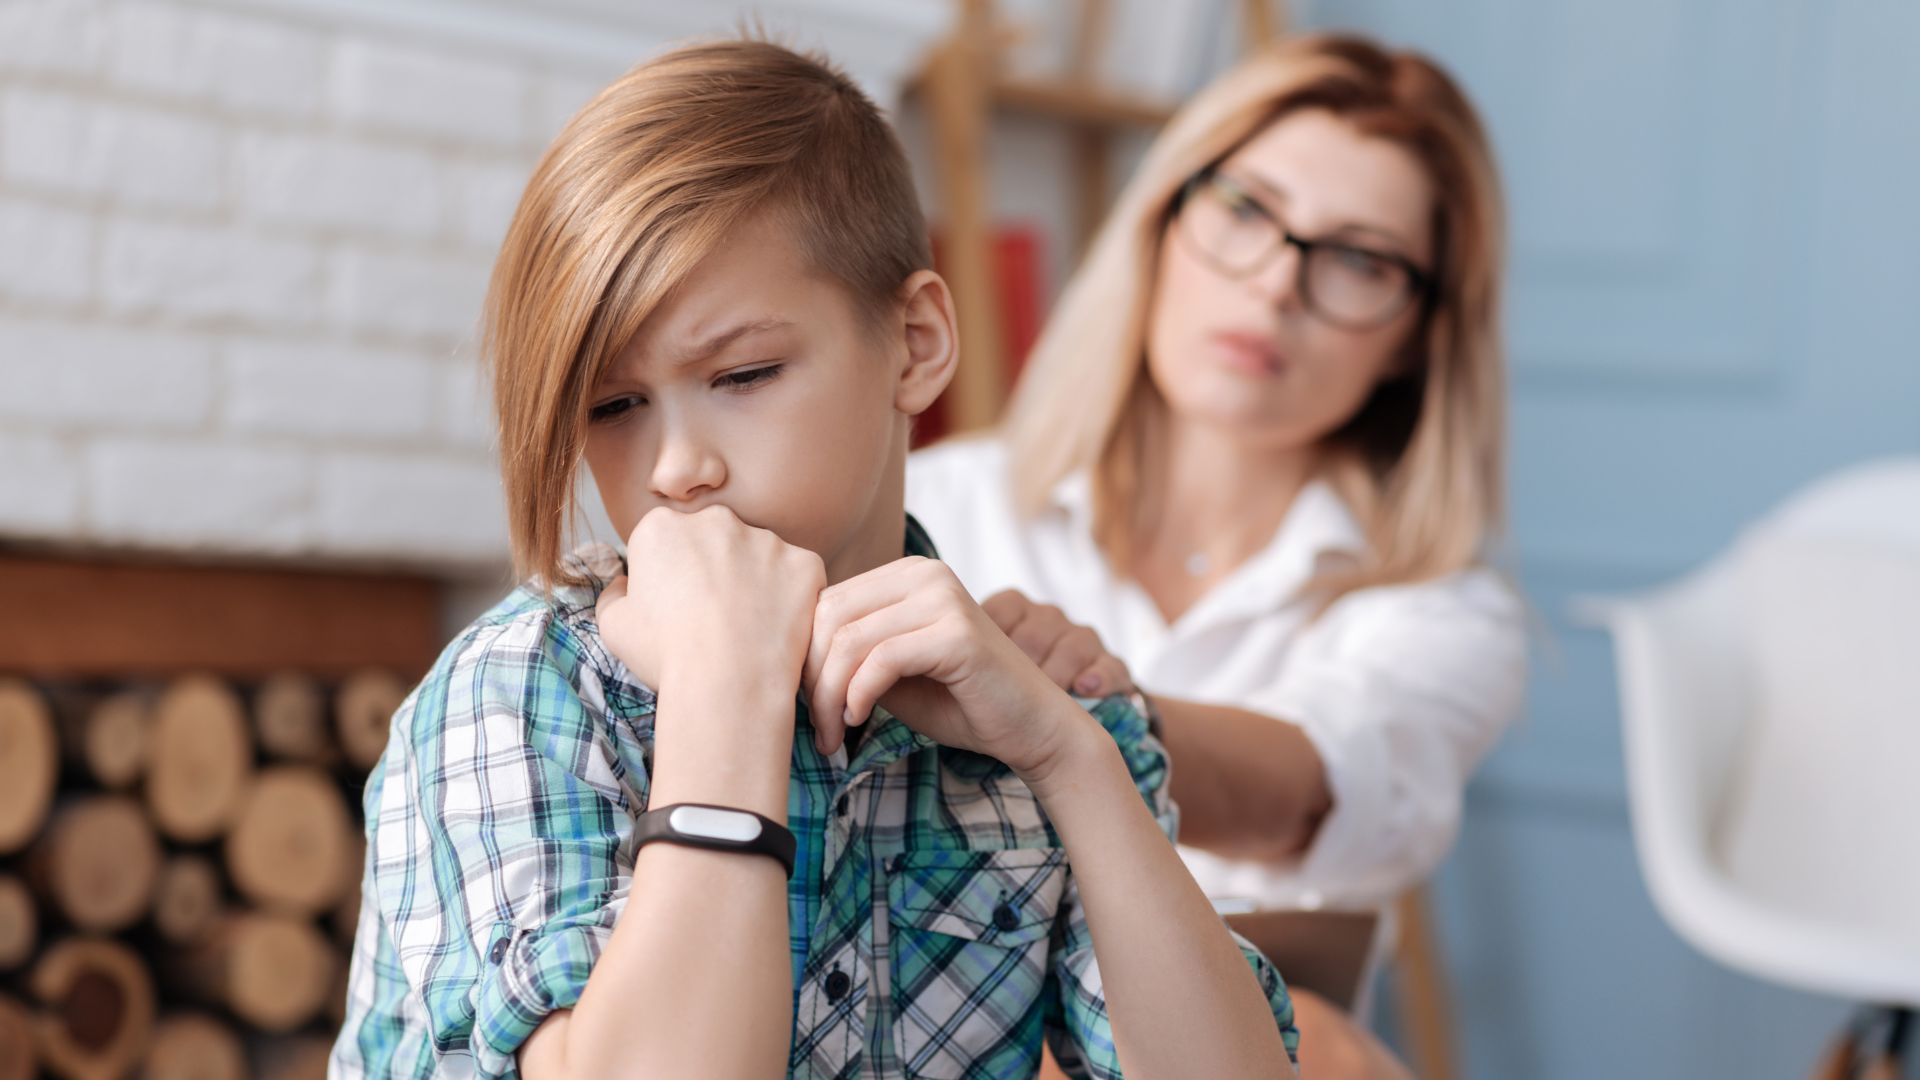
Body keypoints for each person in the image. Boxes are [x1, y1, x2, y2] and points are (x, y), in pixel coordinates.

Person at [330, 38, 1299, 1080]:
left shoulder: (1029, 711)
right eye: (613, 407)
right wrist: (724, 693)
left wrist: (1073, 760)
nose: (677, 467)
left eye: (742, 374)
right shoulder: (520, 698)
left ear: (917, 342)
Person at [907, 32, 1526, 1078]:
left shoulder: (1445, 610)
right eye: (1246, 210)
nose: (1278, 285)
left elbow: (1309, 783)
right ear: (1163, 220)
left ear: (1419, 333)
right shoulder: (937, 503)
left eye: (1360, 259)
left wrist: (1063, 717)